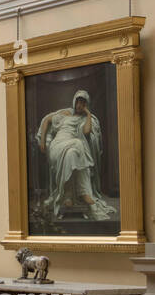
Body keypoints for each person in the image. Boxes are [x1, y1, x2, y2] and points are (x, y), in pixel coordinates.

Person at [37, 88, 117, 221]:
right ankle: (83, 192)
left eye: (83, 103)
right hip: (58, 145)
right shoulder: (65, 113)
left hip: (71, 147)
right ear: (74, 102)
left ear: (87, 105)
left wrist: (88, 114)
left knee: (72, 153)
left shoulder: (85, 119)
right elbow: (46, 121)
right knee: (79, 144)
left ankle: (68, 194)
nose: (80, 105)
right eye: (79, 102)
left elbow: (86, 132)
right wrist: (43, 141)